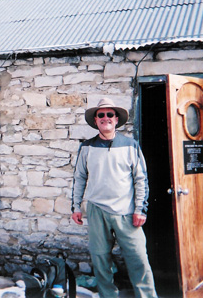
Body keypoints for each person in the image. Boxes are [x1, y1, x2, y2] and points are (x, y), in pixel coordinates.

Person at [71, 98, 158, 298]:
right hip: (96, 210)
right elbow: (79, 178)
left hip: (126, 212)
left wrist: (140, 210)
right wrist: (76, 207)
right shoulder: (87, 147)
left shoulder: (130, 145)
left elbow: (141, 180)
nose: (105, 118)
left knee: (138, 258)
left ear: (116, 119)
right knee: (100, 259)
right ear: (95, 120)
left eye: (110, 114)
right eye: (101, 115)